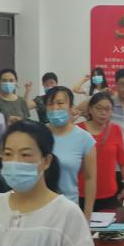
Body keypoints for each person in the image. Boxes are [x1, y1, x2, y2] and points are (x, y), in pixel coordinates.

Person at [44, 86, 96, 219]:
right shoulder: (37, 135)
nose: (55, 108)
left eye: (60, 103)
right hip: (39, 209)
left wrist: (87, 216)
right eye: (50, 104)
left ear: (71, 107)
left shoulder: (84, 139)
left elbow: (90, 178)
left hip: (68, 210)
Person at [78, 92, 124, 211]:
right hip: (81, 193)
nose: (103, 113)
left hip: (109, 194)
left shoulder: (115, 129)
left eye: (107, 109)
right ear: (90, 109)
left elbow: (123, 161)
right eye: (98, 108)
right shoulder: (78, 130)